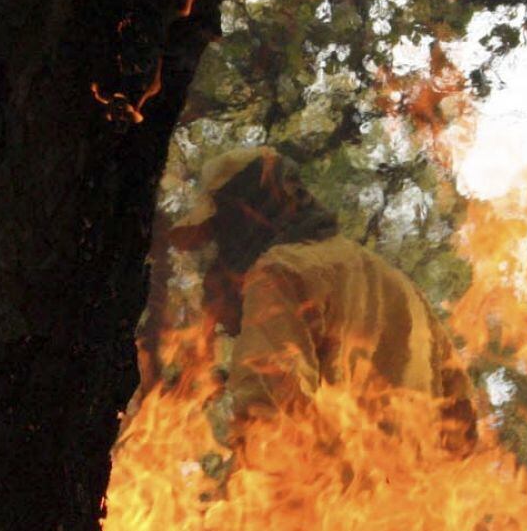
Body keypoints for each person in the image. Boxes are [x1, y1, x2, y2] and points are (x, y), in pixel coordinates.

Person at [161, 147, 477, 444]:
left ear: (247, 214)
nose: (219, 250)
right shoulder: (401, 286)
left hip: (332, 491)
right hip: (412, 493)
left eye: (220, 230)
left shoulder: (280, 272)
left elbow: (270, 404)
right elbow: (463, 423)